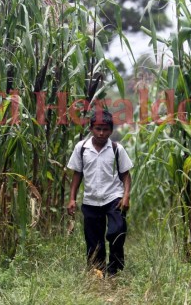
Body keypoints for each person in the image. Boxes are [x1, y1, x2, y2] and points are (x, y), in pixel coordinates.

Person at [67, 109, 133, 276]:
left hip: (113, 198)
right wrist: (72, 199)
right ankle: (98, 271)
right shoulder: (81, 148)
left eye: (105, 129)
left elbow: (126, 174)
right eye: (98, 129)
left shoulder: (116, 149)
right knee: (93, 240)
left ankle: (115, 269)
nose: (101, 133)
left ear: (111, 130)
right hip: (91, 200)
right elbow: (77, 174)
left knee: (117, 232)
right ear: (91, 129)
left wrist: (126, 196)